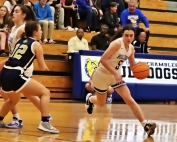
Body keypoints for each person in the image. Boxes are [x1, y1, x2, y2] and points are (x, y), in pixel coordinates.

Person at [85, 24, 156, 136]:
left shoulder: (131, 48)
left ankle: (145, 124)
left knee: (129, 99)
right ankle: (90, 99)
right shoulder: (117, 44)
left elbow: (133, 67)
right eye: (126, 35)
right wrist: (115, 73)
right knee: (101, 103)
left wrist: (143, 70)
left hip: (115, 76)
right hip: (102, 75)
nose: (128, 38)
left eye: (131, 36)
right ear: (122, 35)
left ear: (134, 36)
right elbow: (103, 60)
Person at [0, 20, 59, 134]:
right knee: (45, 93)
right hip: (15, 74)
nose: (42, 32)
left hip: (3, 74)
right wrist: (48, 68)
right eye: (41, 30)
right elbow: (42, 67)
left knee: (13, 100)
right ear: (36, 32)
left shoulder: (20, 41)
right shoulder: (36, 45)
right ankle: (45, 123)